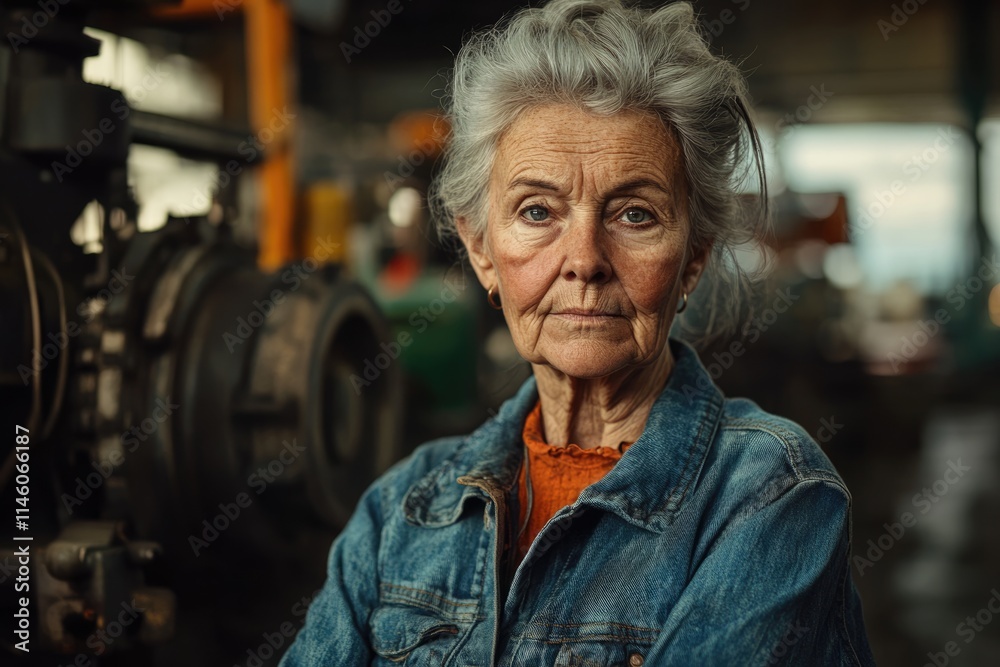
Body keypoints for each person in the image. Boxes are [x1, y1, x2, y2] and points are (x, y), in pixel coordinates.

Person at [279, 0, 876, 664]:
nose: (585, 259)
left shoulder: (770, 496)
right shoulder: (399, 511)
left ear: (694, 258)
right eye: (538, 210)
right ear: (481, 249)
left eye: (636, 215)